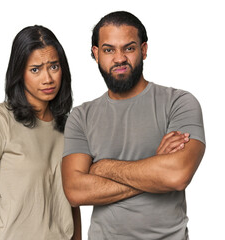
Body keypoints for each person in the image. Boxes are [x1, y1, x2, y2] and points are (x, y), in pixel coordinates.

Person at [62, 11, 205, 240]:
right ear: (96, 54)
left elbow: (177, 175)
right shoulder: (81, 116)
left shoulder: (178, 103)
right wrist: (155, 169)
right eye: (109, 50)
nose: (119, 58)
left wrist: (103, 167)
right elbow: (75, 191)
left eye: (128, 48)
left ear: (144, 50)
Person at [0, 25, 81, 240]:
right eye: (35, 69)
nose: (48, 78)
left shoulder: (69, 128)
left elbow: (72, 204)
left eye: (54, 67)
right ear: (19, 73)